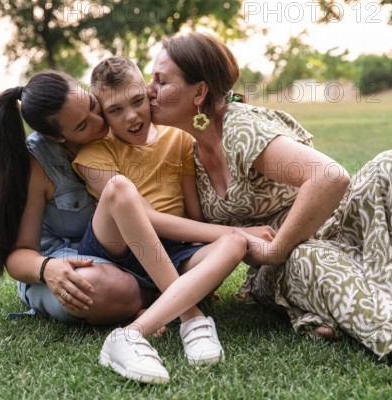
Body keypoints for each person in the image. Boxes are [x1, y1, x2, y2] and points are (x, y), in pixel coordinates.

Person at [146, 32, 392, 362]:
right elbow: (192, 241)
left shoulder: (240, 127)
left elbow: (329, 177)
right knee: (308, 257)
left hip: (324, 235)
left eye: (161, 81)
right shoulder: (190, 150)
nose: (149, 91)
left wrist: (275, 248)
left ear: (199, 92)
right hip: (287, 267)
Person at [72, 56, 255, 384]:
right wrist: (233, 228)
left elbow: (192, 212)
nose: (131, 116)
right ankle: (189, 315)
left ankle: (152, 309)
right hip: (117, 247)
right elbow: (149, 218)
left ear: (147, 92)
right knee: (119, 189)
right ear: (102, 112)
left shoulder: (179, 138)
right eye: (115, 110)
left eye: (137, 101)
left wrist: (222, 243)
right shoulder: (94, 153)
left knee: (235, 244)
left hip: (173, 251)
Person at [0, 70, 167, 325]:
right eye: (83, 125)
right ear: (56, 137)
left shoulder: (118, 126)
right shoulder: (36, 162)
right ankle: (161, 296)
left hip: (122, 253)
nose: (99, 121)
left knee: (201, 258)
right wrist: (46, 268)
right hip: (60, 267)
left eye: (93, 106)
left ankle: (148, 298)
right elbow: (18, 256)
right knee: (99, 286)